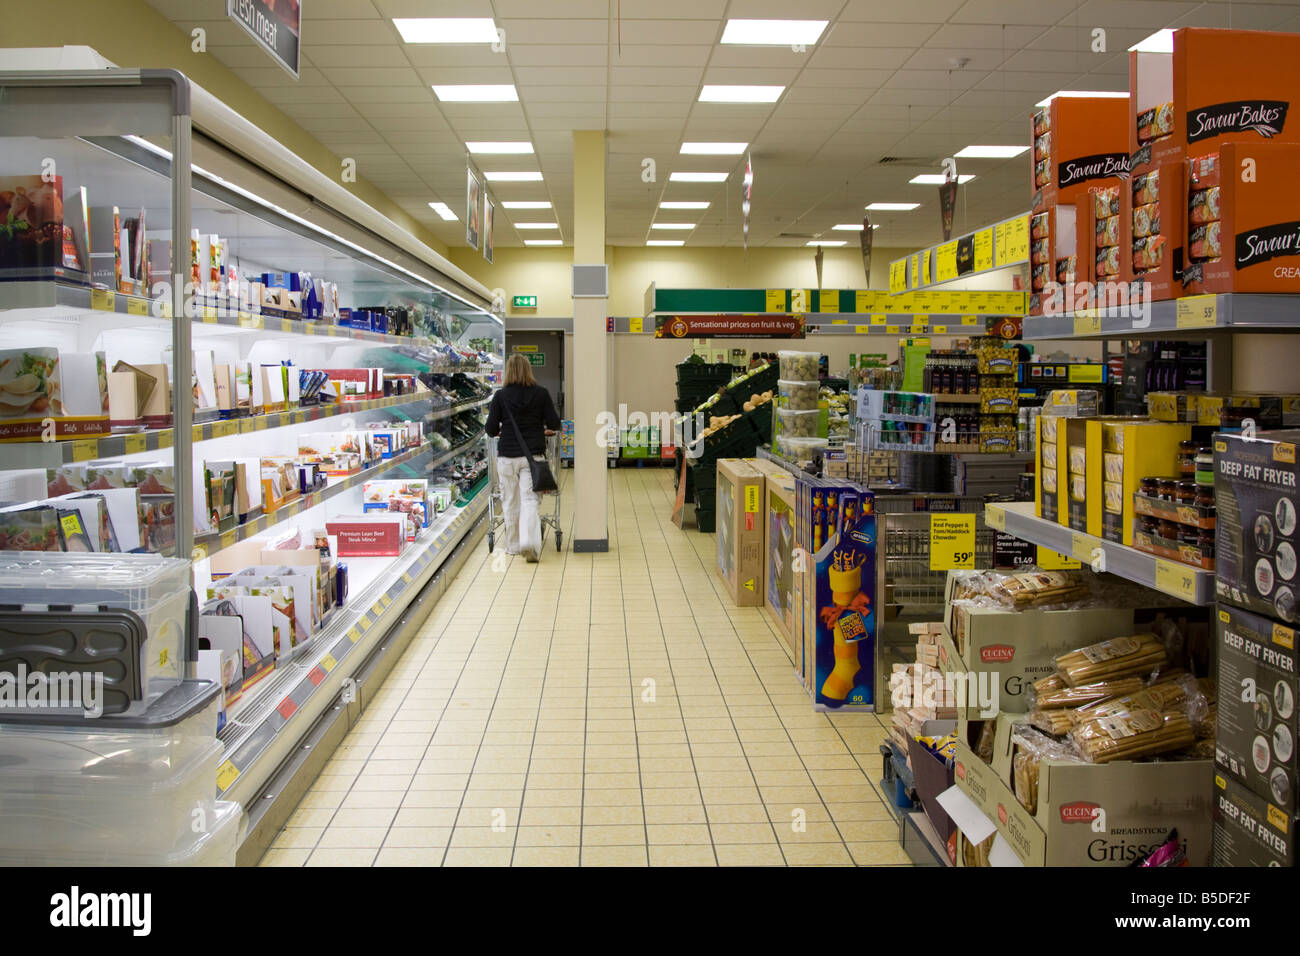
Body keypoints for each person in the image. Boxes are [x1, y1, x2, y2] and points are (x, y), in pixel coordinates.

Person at [485, 353, 560, 562]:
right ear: (529, 370)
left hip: (507, 456)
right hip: (532, 456)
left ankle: (513, 545)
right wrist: (542, 428)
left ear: (508, 371)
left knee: (509, 501)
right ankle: (530, 543)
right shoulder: (541, 394)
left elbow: (490, 429)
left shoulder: (500, 396)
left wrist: (501, 427)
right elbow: (555, 423)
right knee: (529, 500)